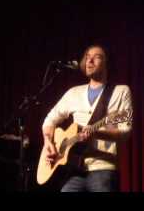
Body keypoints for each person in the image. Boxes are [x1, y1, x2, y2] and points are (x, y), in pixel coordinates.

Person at [41, 44, 133, 192]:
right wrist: (48, 143)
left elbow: (125, 132)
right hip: (73, 170)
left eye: (96, 57)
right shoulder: (73, 93)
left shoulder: (120, 91)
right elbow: (49, 120)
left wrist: (95, 132)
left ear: (106, 63)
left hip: (103, 168)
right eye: (87, 57)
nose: (89, 61)